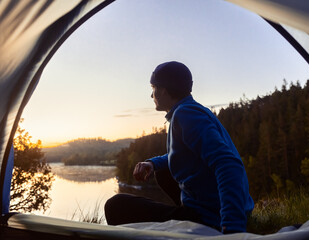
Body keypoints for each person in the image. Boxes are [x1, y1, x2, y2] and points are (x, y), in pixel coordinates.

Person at [105, 61, 254, 233]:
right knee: (162, 171)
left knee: (115, 206)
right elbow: (183, 156)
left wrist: (232, 228)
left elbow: (228, 164)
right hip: (215, 207)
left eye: (152, 88)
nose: (151, 95)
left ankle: (190, 221)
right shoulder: (190, 110)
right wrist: (152, 164)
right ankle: (184, 214)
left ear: (162, 90)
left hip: (211, 217)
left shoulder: (185, 115)